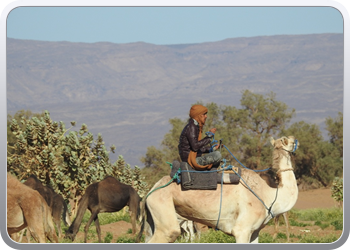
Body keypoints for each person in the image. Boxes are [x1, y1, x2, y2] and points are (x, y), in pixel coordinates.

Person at [178, 104, 222, 170]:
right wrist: (209, 136)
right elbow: (195, 147)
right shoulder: (192, 127)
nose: (206, 116)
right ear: (198, 115)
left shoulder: (195, 126)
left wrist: (212, 148)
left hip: (193, 158)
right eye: (204, 114)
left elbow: (197, 148)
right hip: (191, 160)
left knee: (216, 154)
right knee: (217, 155)